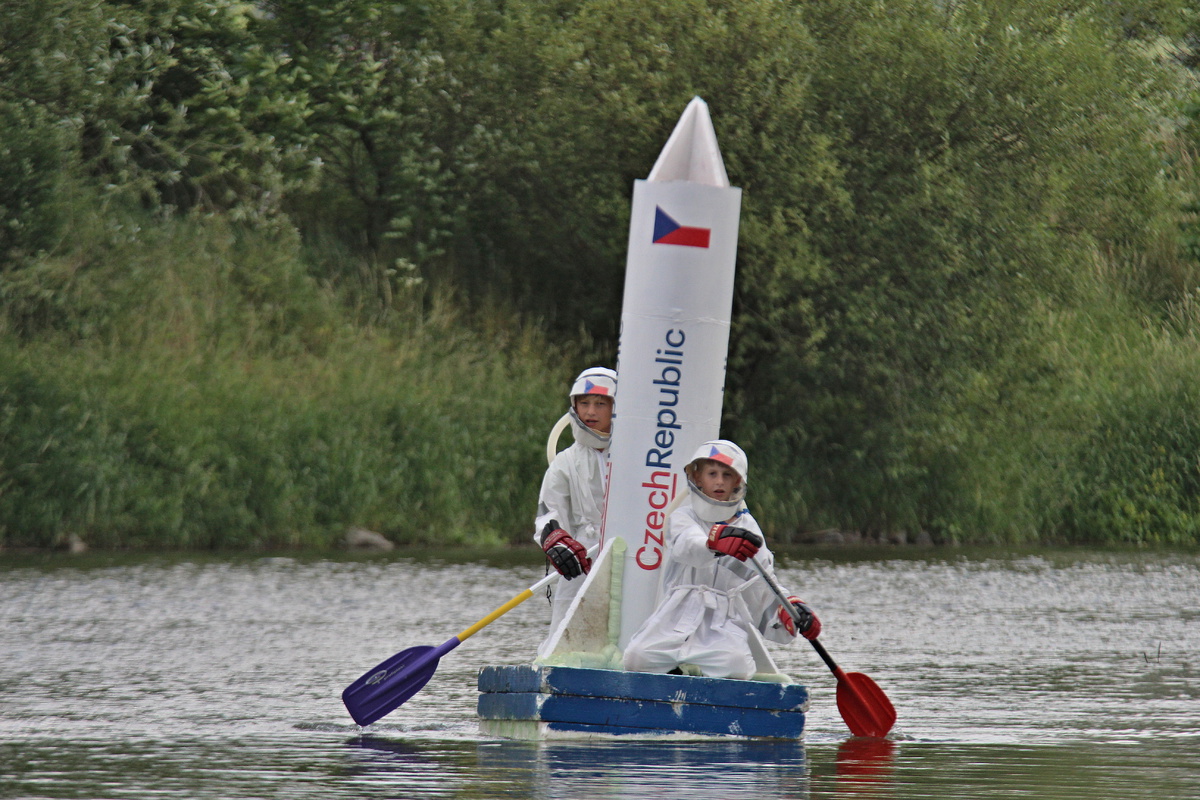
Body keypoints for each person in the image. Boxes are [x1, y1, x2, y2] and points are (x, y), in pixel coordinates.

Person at [622, 439, 821, 680]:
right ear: (697, 478)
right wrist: (713, 544)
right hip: (675, 614)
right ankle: (677, 678)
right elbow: (687, 545)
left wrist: (791, 609)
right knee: (636, 657)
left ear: (738, 481)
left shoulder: (750, 529)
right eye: (712, 474)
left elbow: (762, 583)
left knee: (737, 667)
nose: (719, 481)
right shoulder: (683, 517)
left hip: (723, 621)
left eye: (727, 475)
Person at [534, 366, 617, 647]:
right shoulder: (565, 462)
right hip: (583, 554)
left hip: (634, 551)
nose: (591, 411)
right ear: (574, 406)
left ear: (616, 407)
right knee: (566, 632)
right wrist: (557, 541)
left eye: (600, 403)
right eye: (584, 403)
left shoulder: (639, 456)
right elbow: (549, 512)